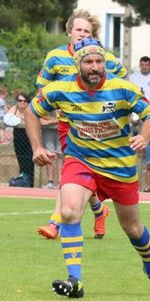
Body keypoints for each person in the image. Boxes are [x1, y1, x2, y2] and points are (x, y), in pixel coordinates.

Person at [24, 38, 150, 298]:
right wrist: (37, 147)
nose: (95, 67)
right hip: (80, 159)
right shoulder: (61, 89)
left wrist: (145, 137)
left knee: (133, 229)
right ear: (77, 65)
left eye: (99, 61)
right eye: (88, 61)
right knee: (70, 211)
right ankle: (75, 281)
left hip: (120, 167)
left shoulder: (123, 88)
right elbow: (31, 111)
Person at [36, 9, 125, 240]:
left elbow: (121, 82)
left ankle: (55, 222)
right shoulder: (55, 57)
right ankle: (99, 210)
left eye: (87, 31)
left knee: (74, 171)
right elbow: (42, 88)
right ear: (69, 32)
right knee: (78, 171)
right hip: (67, 123)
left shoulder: (103, 58)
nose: (82, 34)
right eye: (79, 30)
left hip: (95, 125)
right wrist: (48, 106)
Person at [129, 56, 150, 193]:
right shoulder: (133, 77)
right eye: (142, 64)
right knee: (135, 151)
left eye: (146, 64)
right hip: (137, 111)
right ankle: (135, 184)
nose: (144, 66)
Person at [8, 91, 34, 187]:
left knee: (30, 160)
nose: (22, 103)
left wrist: (20, 118)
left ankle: (30, 182)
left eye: (25, 101)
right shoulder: (14, 109)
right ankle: (23, 179)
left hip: (30, 138)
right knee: (21, 159)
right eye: (20, 100)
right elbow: (8, 119)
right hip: (18, 138)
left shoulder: (30, 110)